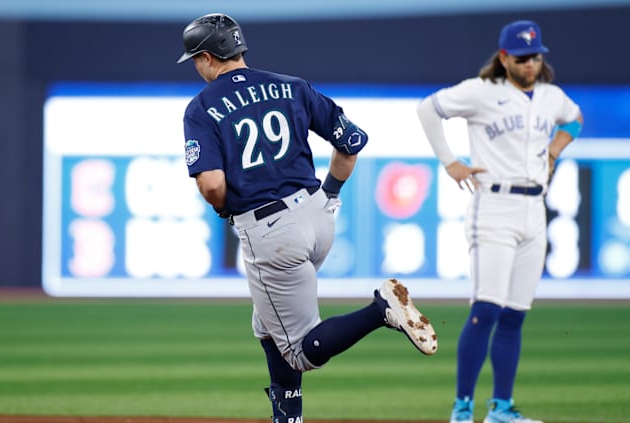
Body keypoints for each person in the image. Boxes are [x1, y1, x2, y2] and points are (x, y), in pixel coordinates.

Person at [177, 13, 438, 423]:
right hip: (317, 216)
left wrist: (225, 206)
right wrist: (329, 195)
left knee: (299, 352)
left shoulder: (202, 107)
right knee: (266, 324)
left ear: (209, 57)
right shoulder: (292, 86)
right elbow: (351, 143)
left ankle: (380, 310)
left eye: (195, 59)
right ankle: (288, 417)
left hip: (270, 234)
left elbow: (211, 185)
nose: (196, 67)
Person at [416, 20, 583, 423]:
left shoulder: (550, 96)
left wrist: (556, 150)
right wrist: (450, 162)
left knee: (514, 314)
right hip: (493, 207)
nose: (530, 64)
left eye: (536, 57)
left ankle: (501, 409)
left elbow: (574, 119)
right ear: (504, 57)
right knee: (485, 310)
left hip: (534, 210)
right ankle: (462, 409)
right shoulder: (481, 91)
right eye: (522, 57)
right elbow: (428, 109)